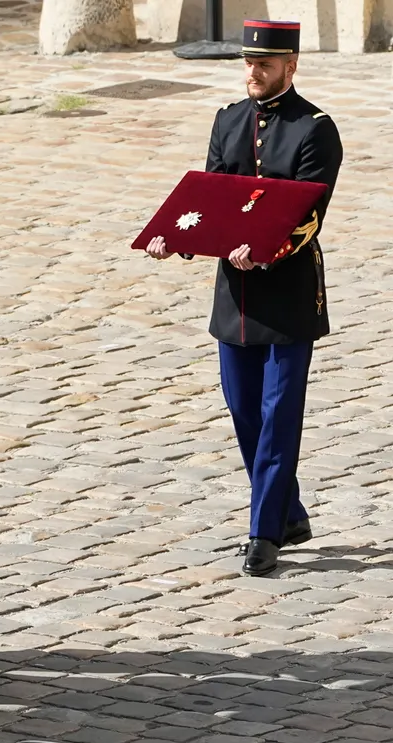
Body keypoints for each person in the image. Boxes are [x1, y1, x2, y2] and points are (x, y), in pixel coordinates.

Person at [146, 19, 342, 577]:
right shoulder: (228, 119)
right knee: (243, 409)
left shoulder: (315, 130)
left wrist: (264, 252)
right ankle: (290, 511)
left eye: (265, 64)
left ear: (291, 66)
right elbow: (210, 200)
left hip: (287, 293)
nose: (253, 73)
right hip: (234, 297)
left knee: (278, 415)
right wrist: (178, 239)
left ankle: (264, 532)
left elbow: (307, 218)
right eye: (249, 63)